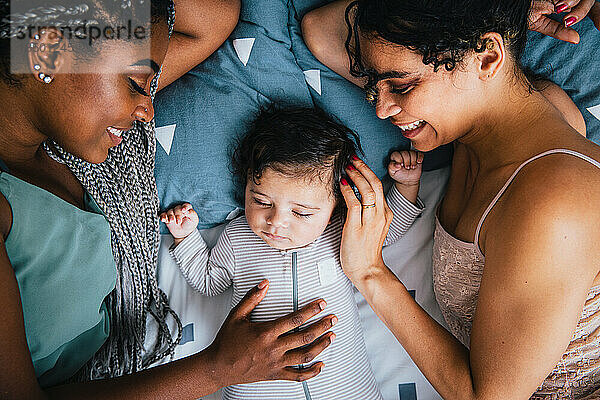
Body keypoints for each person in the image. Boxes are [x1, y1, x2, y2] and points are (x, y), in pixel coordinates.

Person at [0, 0, 336, 398]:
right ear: (48, 52)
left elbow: (213, 20)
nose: (147, 110)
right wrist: (219, 369)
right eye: (137, 83)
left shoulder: (72, 134)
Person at [306, 0, 600, 398]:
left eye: (402, 85)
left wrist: (369, 272)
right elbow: (321, 30)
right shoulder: (499, 118)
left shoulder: (553, 205)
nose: (380, 108)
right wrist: (505, 7)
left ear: (488, 58)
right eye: (374, 83)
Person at [160, 107, 425, 400]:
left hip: (346, 389)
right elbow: (209, 281)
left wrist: (406, 186)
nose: (276, 222)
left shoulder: (342, 230)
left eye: (300, 212)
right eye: (260, 200)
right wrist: (186, 237)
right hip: (257, 389)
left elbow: (387, 233)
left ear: (335, 204)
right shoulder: (238, 237)